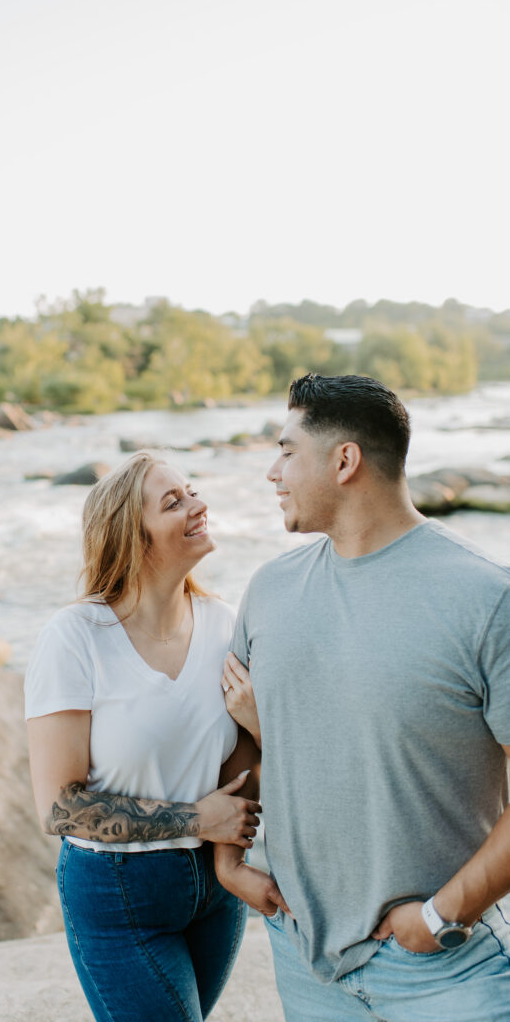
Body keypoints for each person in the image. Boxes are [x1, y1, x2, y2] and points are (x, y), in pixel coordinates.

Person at [216, 373, 510, 1022]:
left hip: (444, 968)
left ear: (344, 461)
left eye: (287, 451)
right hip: (304, 957)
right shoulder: (269, 588)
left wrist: (440, 915)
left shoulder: (486, 599)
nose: (271, 472)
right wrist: (230, 861)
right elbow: (240, 737)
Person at [24, 452, 261, 1022]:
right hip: (118, 890)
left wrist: (228, 862)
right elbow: (59, 807)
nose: (198, 505)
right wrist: (194, 820)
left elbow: (242, 758)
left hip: (214, 891)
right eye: (173, 502)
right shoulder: (76, 637)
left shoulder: (226, 624)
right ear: (133, 538)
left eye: (192, 491)